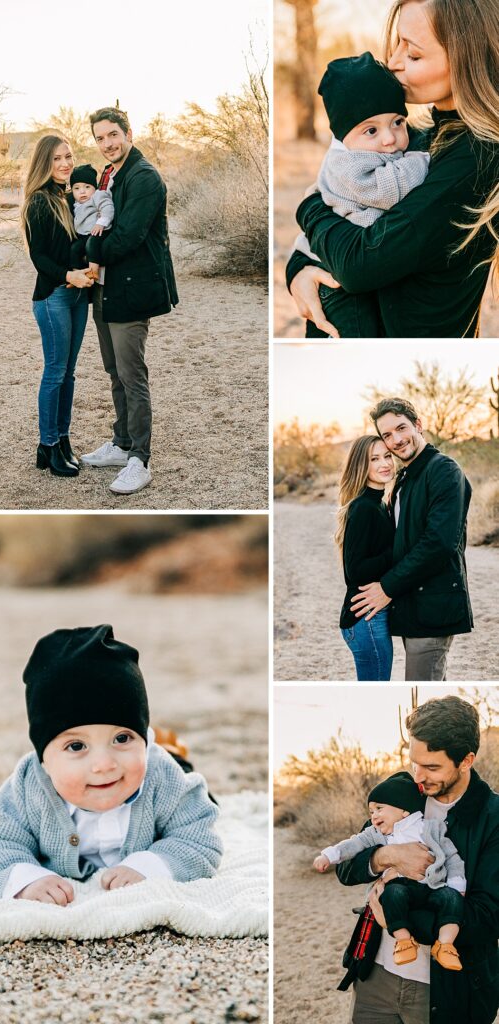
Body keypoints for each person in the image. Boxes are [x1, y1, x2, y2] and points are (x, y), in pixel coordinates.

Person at [286, 0, 499, 338]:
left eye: (413, 55)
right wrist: (298, 270)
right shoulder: (423, 136)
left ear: (467, 60)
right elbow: (345, 205)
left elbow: (359, 265)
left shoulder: (476, 159)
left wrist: (309, 207)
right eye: (397, 42)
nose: (394, 62)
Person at [0, 625, 222, 902]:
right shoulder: (28, 789)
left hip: (165, 764)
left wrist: (151, 865)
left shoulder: (163, 777)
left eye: (122, 738)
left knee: (190, 779)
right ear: (45, 760)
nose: (103, 764)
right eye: (76, 746)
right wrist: (27, 880)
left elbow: (199, 837)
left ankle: (171, 748)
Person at [336, 695, 499, 1024]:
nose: (418, 776)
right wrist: (387, 855)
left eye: (432, 767)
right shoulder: (404, 794)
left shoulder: (492, 817)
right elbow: (346, 866)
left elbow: (488, 916)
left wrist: (396, 921)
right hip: (375, 975)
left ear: (466, 760)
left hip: (447, 992)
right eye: (414, 762)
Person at [293, 52, 429, 338]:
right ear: (345, 137)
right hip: (333, 275)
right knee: (351, 334)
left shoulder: (371, 149)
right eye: (371, 130)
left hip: (345, 259)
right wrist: (422, 158)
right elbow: (387, 190)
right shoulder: (347, 163)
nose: (389, 138)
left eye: (397, 122)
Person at [80, 107, 178, 495]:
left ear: (128, 133)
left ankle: (140, 458)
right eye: (100, 138)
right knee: (114, 371)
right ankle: (121, 444)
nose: (107, 144)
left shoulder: (144, 177)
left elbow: (128, 236)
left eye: (112, 135)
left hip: (132, 289)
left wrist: (88, 249)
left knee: (132, 374)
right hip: (106, 287)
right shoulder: (109, 174)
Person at [350, 397, 472, 681]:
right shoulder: (407, 477)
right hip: (412, 607)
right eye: (387, 435)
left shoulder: (443, 470)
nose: (396, 440)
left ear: (418, 425)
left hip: (433, 607)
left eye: (401, 428)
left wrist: (387, 588)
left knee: (421, 685)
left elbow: (438, 543)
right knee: (430, 684)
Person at [314, 771, 465, 971]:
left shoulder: (431, 828)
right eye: (371, 811)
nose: (373, 815)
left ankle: (445, 945)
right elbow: (353, 845)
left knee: (452, 898)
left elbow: (451, 855)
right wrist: (329, 855)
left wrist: (456, 883)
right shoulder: (377, 833)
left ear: (404, 810)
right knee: (394, 894)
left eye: (379, 809)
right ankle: (404, 941)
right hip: (400, 888)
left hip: (432, 886)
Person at [21, 135, 94, 477]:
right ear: (44, 163)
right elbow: (39, 257)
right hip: (53, 297)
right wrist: (68, 275)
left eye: (68, 157)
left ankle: (62, 440)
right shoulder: (39, 201)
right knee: (54, 372)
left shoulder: (70, 197)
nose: (65, 164)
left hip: (78, 295)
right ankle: (47, 445)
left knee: (68, 372)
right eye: (56, 159)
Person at [335, 435, 395, 680]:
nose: (385, 463)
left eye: (387, 456)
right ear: (361, 465)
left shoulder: (378, 504)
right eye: (374, 459)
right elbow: (356, 571)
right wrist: (397, 552)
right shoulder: (363, 508)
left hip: (371, 617)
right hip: (366, 619)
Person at [68, 164, 115, 281]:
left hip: (99, 231)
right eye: (77, 188)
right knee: (75, 249)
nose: (82, 191)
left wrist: (101, 222)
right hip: (84, 234)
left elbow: (108, 206)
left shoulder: (98, 195)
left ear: (94, 188)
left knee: (92, 245)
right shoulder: (75, 203)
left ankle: (93, 271)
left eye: (87, 187)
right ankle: (77, 275)